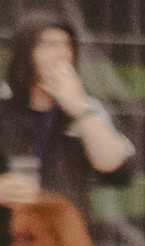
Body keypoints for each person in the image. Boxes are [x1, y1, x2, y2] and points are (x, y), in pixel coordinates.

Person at [0, 16, 133, 230]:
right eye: (48, 44)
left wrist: (79, 110)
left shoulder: (87, 109)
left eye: (66, 45)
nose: (61, 54)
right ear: (25, 53)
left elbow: (116, 169)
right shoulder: (4, 105)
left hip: (65, 245)